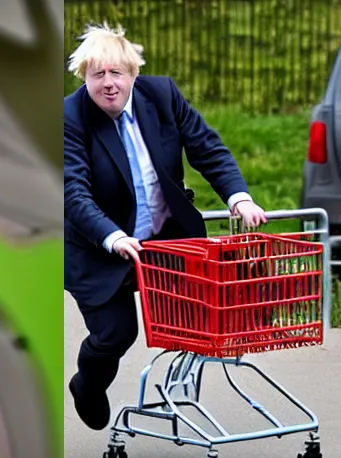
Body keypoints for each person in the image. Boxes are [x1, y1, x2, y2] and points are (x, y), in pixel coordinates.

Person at [64, 23, 268, 431]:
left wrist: (239, 198)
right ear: (84, 76)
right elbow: (73, 191)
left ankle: (180, 398)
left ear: (133, 75)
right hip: (99, 247)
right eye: (97, 74)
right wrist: (113, 236)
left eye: (116, 73)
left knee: (198, 320)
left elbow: (207, 148)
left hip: (165, 242)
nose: (108, 84)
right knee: (116, 334)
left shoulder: (162, 95)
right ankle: (86, 385)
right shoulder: (70, 118)